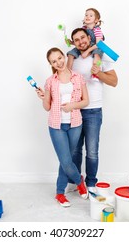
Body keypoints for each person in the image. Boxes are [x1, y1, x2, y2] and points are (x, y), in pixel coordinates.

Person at [36, 47, 89, 207]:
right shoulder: (50, 81)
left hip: (75, 124)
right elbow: (47, 107)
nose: (58, 62)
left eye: (59, 58)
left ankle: (60, 193)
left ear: (63, 57)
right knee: (66, 161)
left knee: (65, 160)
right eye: (54, 61)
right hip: (56, 124)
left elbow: (85, 101)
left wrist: (72, 105)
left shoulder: (78, 77)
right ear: (51, 64)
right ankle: (79, 181)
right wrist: (43, 98)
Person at [67, 28, 118, 192]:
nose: (81, 41)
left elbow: (114, 81)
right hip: (75, 109)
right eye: (76, 40)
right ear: (73, 43)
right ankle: (75, 182)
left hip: (93, 110)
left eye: (83, 37)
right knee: (74, 150)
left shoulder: (101, 55)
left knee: (92, 151)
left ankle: (90, 184)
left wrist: (99, 73)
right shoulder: (72, 59)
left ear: (89, 37)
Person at [67, 8, 104, 80]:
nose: (87, 17)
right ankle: (68, 74)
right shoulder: (83, 28)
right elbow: (81, 43)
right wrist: (71, 42)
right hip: (87, 46)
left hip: (96, 46)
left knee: (97, 55)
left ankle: (95, 74)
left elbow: (99, 44)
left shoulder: (97, 30)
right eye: (86, 15)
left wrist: (87, 51)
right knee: (71, 54)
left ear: (96, 20)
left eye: (91, 15)